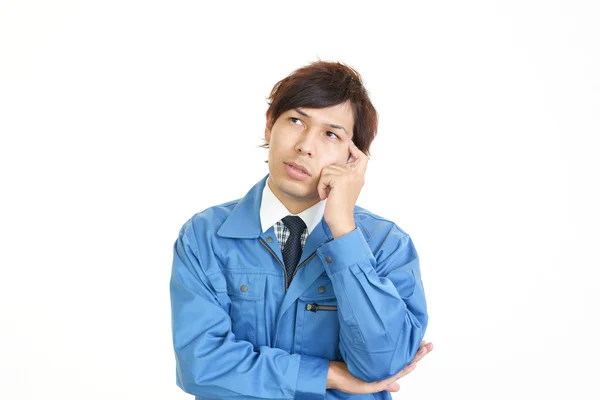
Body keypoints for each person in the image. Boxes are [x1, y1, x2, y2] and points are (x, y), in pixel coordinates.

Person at [170, 60, 433, 399]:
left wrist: (344, 234)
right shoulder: (205, 236)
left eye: (331, 135)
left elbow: (383, 366)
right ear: (269, 126)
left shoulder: (387, 244)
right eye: (296, 121)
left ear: (353, 158)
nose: (305, 146)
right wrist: (327, 375)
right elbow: (200, 366)